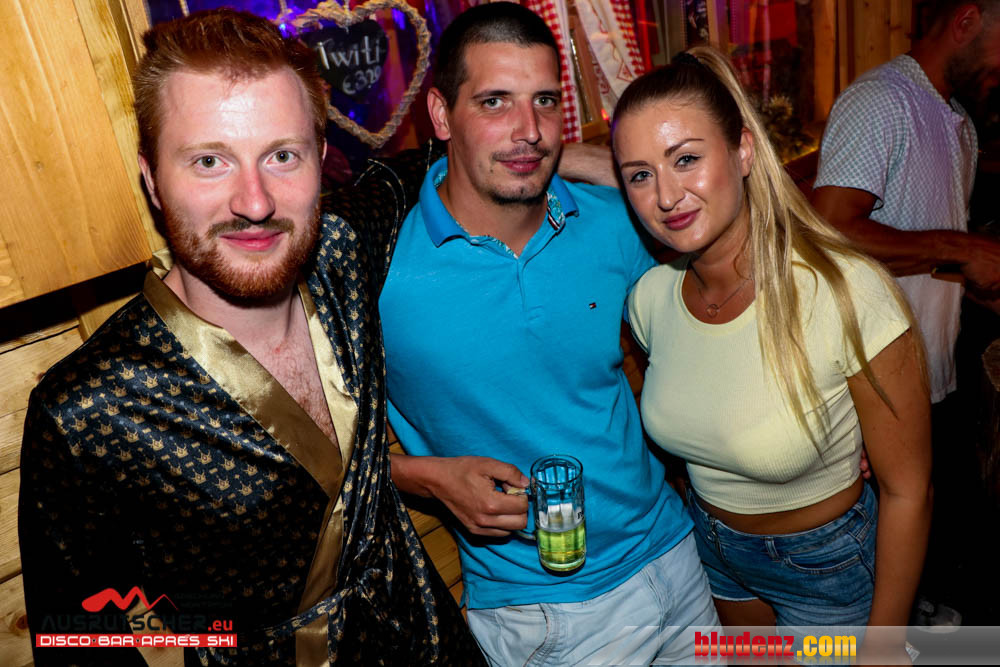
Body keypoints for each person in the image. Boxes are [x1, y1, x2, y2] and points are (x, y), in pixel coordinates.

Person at [18, 9, 485, 665]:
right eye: (210, 161)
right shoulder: (88, 411)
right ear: (152, 180)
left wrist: (577, 159)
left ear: (320, 159)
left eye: (282, 156)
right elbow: (79, 644)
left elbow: (417, 168)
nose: (257, 202)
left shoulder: (341, 251)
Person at [378, 4, 719, 665]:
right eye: (495, 102)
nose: (529, 130)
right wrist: (424, 476)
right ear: (442, 115)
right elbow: (303, 454)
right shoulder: (382, 266)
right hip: (546, 613)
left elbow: (728, 284)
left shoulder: (613, 221)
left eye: (544, 101)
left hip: (677, 555)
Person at [611, 47, 932, 654]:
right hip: (715, 551)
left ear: (743, 151)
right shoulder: (651, 299)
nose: (667, 195)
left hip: (826, 564)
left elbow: (908, 491)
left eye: (686, 159)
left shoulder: (845, 290)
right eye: (640, 175)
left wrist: (885, 645)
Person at [811, 0, 1000, 622]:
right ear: (966, 22)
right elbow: (832, 229)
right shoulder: (882, 101)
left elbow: (921, 251)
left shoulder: (960, 125)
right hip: (870, 386)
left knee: (923, 534)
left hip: (932, 374)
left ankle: (914, 622)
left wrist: (976, 279)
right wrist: (961, 247)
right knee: (867, 555)